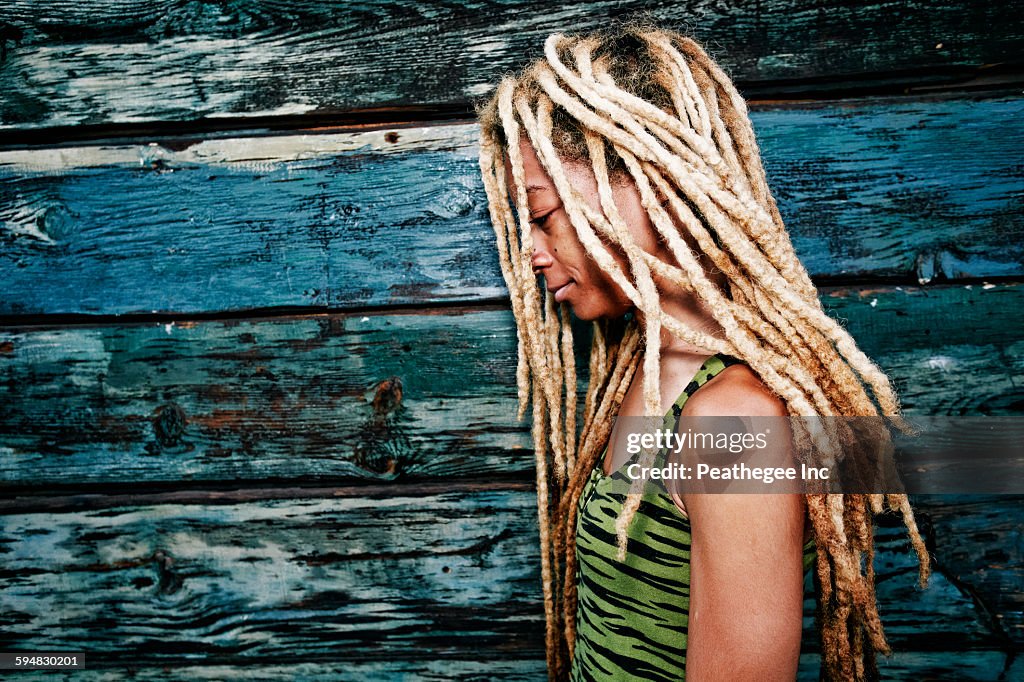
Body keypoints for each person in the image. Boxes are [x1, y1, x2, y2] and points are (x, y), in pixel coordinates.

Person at [476, 25, 930, 681]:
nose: (531, 254)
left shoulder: (732, 425)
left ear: (643, 184)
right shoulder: (645, 372)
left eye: (542, 216)